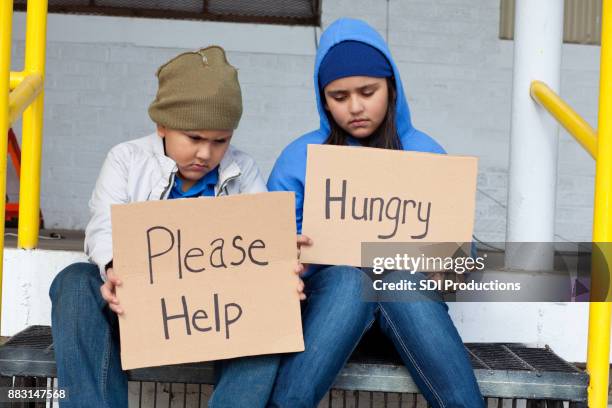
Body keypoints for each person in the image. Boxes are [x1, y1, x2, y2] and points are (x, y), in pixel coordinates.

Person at [49, 46, 306, 408]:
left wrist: (283, 269)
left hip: (217, 315)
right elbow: (103, 225)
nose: (206, 153)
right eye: (195, 138)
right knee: (74, 280)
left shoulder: (242, 169)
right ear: (162, 125)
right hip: (134, 307)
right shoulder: (126, 158)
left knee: (273, 304)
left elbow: (261, 242)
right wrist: (113, 268)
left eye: (221, 141)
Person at [266, 18, 485, 407]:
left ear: (391, 88)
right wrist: (289, 255)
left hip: (408, 316)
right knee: (352, 281)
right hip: (326, 313)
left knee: (395, 278)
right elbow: (265, 255)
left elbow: (454, 262)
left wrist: (448, 264)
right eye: (339, 96)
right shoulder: (298, 158)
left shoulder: (427, 153)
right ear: (322, 99)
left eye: (368, 91)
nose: (355, 107)